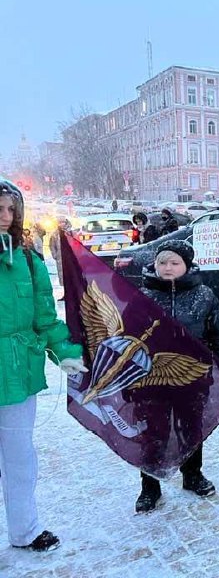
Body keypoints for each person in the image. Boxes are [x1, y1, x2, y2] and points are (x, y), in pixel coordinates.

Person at [0, 178, 87, 552]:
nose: (4, 217)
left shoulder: (31, 263)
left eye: (10, 209)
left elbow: (45, 317)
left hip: (19, 373)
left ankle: (25, 529)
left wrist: (64, 351)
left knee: (20, 458)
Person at [133, 240, 219, 513]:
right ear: (154, 265)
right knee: (153, 432)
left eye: (174, 263)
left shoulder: (203, 295)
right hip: (151, 380)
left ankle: (192, 474)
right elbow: (127, 338)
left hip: (192, 376)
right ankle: (150, 485)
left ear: (187, 266)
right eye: (163, 262)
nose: (168, 268)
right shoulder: (142, 296)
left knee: (191, 428)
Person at [48, 217, 70, 301]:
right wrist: (55, 255)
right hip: (60, 259)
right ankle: (66, 294)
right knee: (63, 277)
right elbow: (52, 245)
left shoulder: (71, 232)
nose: (61, 224)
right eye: (59, 222)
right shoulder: (55, 234)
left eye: (63, 222)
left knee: (71, 276)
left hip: (70, 258)